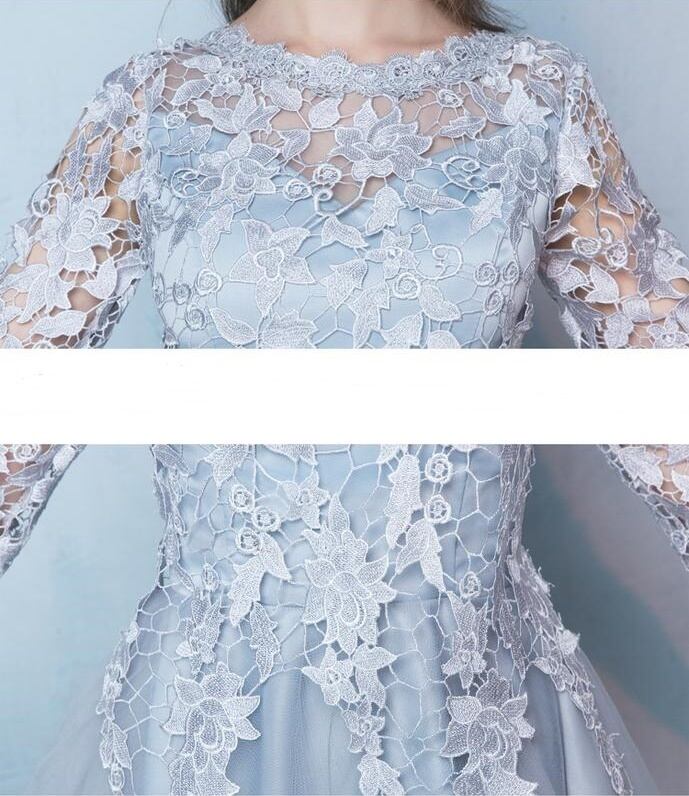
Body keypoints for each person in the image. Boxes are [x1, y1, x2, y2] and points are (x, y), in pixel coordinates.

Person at [0, 2, 687, 794]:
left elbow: (667, 408)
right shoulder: (154, 103)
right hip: (215, 714)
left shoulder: (536, 95)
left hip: (470, 710)